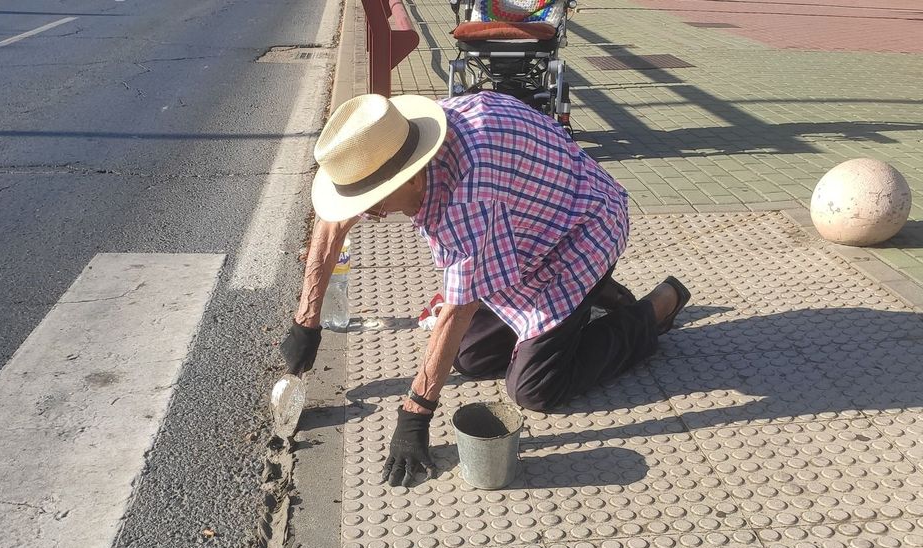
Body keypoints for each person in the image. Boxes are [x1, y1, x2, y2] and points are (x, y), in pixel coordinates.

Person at [279, 91, 690, 487]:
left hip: (582, 228)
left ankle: (652, 309)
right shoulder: (398, 136)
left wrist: (415, 414)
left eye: (377, 202)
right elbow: (332, 224)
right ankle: (592, 298)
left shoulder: (469, 197)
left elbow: (458, 309)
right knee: (470, 357)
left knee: (534, 388)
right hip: (525, 231)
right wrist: (307, 322)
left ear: (414, 177)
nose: (376, 214)